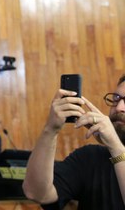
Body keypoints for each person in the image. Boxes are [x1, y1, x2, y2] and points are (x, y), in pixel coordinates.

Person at [23, 76, 125, 209]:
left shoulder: (113, 150)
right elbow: (37, 193)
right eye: (116, 98)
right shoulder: (90, 157)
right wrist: (50, 129)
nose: (119, 107)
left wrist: (116, 147)